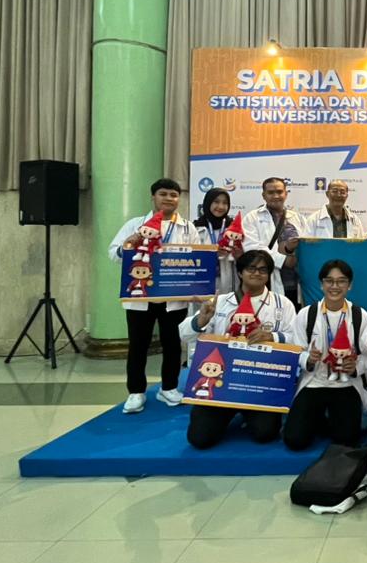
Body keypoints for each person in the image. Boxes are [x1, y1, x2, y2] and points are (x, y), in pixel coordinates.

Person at [180, 250, 298, 447]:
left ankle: (247, 413)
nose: (257, 273)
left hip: (260, 382)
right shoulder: (219, 302)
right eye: (251, 268)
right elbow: (183, 335)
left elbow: (297, 339)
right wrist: (200, 320)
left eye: (263, 270)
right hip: (220, 382)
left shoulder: (282, 304)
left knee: (265, 433)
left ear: (269, 275)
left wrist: (273, 336)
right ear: (240, 272)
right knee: (199, 439)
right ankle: (230, 412)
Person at [109, 178, 201, 414]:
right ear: (153, 197)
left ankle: (168, 388)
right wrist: (128, 246)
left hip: (174, 298)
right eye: (163, 194)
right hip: (141, 297)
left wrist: (196, 289)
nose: (169, 198)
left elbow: (197, 259)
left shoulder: (188, 228)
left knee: (173, 345)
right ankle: (136, 392)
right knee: (138, 346)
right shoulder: (135, 224)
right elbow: (113, 253)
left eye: (173, 194)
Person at [286, 259, 367, 450]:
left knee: (346, 440)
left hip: (346, 383)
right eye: (329, 281)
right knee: (295, 440)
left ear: (349, 285)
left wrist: (355, 367)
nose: (335, 286)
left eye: (341, 281)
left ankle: (328, 418)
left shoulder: (359, 315)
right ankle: (318, 416)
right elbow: (296, 351)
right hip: (315, 381)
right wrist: (309, 359)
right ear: (321, 284)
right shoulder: (307, 314)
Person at [242, 177, 306, 305]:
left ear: (286, 194)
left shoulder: (298, 218)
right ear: (264, 195)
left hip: (295, 282)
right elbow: (252, 249)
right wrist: (283, 260)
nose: (276, 196)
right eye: (271, 192)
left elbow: (306, 246)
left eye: (279, 192)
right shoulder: (252, 217)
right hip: (267, 281)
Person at [194, 187, 239, 294]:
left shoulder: (234, 229)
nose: (221, 207)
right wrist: (211, 253)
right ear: (208, 203)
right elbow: (189, 258)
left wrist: (237, 253)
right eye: (216, 202)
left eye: (225, 203)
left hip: (229, 281)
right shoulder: (195, 227)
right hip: (202, 281)